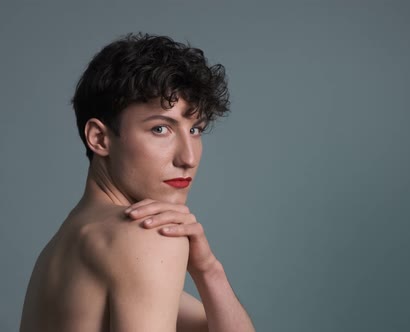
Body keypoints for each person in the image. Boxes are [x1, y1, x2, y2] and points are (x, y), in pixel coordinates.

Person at [19, 33, 255, 332]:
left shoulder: (69, 243)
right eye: (160, 128)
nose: (188, 158)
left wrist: (209, 270)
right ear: (100, 138)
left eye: (195, 130)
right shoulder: (146, 238)